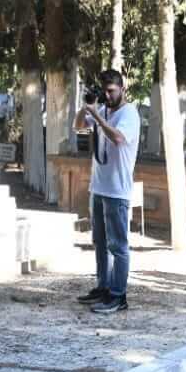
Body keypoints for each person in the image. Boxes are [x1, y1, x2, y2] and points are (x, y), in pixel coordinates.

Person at [74, 68, 141, 315]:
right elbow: (78, 127)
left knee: (118, 246)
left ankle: (118, 295)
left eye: (112, 91)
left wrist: (98, 117)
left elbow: (118, 138)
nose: (108, 95)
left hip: (117, 191)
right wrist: (86, 107)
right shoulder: (102, 110)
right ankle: (103, 287)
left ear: (123, 88)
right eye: (105, 91)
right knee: (100, 242)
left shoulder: (129, 113)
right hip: (99, 187)